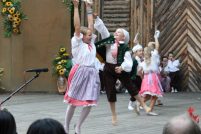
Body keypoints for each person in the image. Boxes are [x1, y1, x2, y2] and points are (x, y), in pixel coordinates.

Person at [94, 15, 151, 125]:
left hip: (120, 68)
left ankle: (144, 105)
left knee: (131, 87)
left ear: (124, 37)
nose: (116, 33)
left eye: (119, 32)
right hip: (108, 69)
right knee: (110, 91)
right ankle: (114, 115)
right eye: (115, 31)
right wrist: (97, 19)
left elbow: (128, 61)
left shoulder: (125, 48)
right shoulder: (109, 41)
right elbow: (103, 30)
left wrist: (122, 67)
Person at [63, 1, 100, 133]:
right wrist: (76, 7)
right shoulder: (77, 43)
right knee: (73, 102)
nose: (91, 36)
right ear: (82, 36)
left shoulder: (91, 43)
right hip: (80, 72)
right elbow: (77, 26)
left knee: (89, 103)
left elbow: (90, 25)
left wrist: (89, 8)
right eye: (89, 35)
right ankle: (66, 125)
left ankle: (78, 126)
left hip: (91, 73)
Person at [138, 31, 163, 116]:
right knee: (155, 95)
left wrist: (142, 77)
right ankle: (150, 110)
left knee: (148, 95)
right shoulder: (154, 57)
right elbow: (157, 46)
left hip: (146, 78)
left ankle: (139, 104)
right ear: (151, 52)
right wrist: (156, 37)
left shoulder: (143, 61)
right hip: (153, 77)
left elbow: (139, 71)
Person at [127, 33, 143, 111]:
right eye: (139, 51)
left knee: (141, 91)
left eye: (142, 51)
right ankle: (130, 104)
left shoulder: (140, 59)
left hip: (139, 77)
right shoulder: (134, 60)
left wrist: (137, 42)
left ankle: (139, 104)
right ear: (135, 52)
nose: (141, 52)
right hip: (134, 77)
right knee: (135, 92)